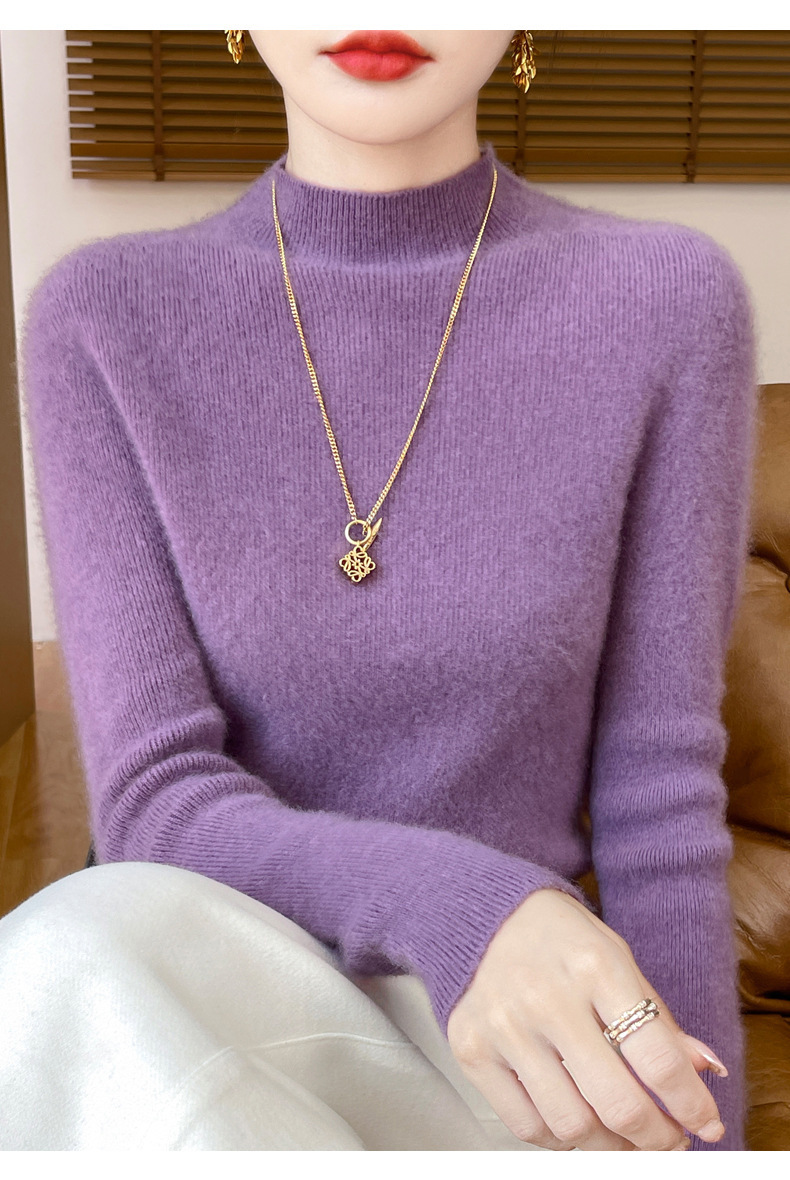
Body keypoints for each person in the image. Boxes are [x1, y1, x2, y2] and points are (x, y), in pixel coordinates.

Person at [0, 29, 756, 1150]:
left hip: (513, 1048)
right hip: (210, 1009)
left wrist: (703, 1145)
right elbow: (154, 799)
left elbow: (660, 792)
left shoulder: (667, 299)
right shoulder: (100, 316)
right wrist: (468, 906)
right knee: (63, 957)